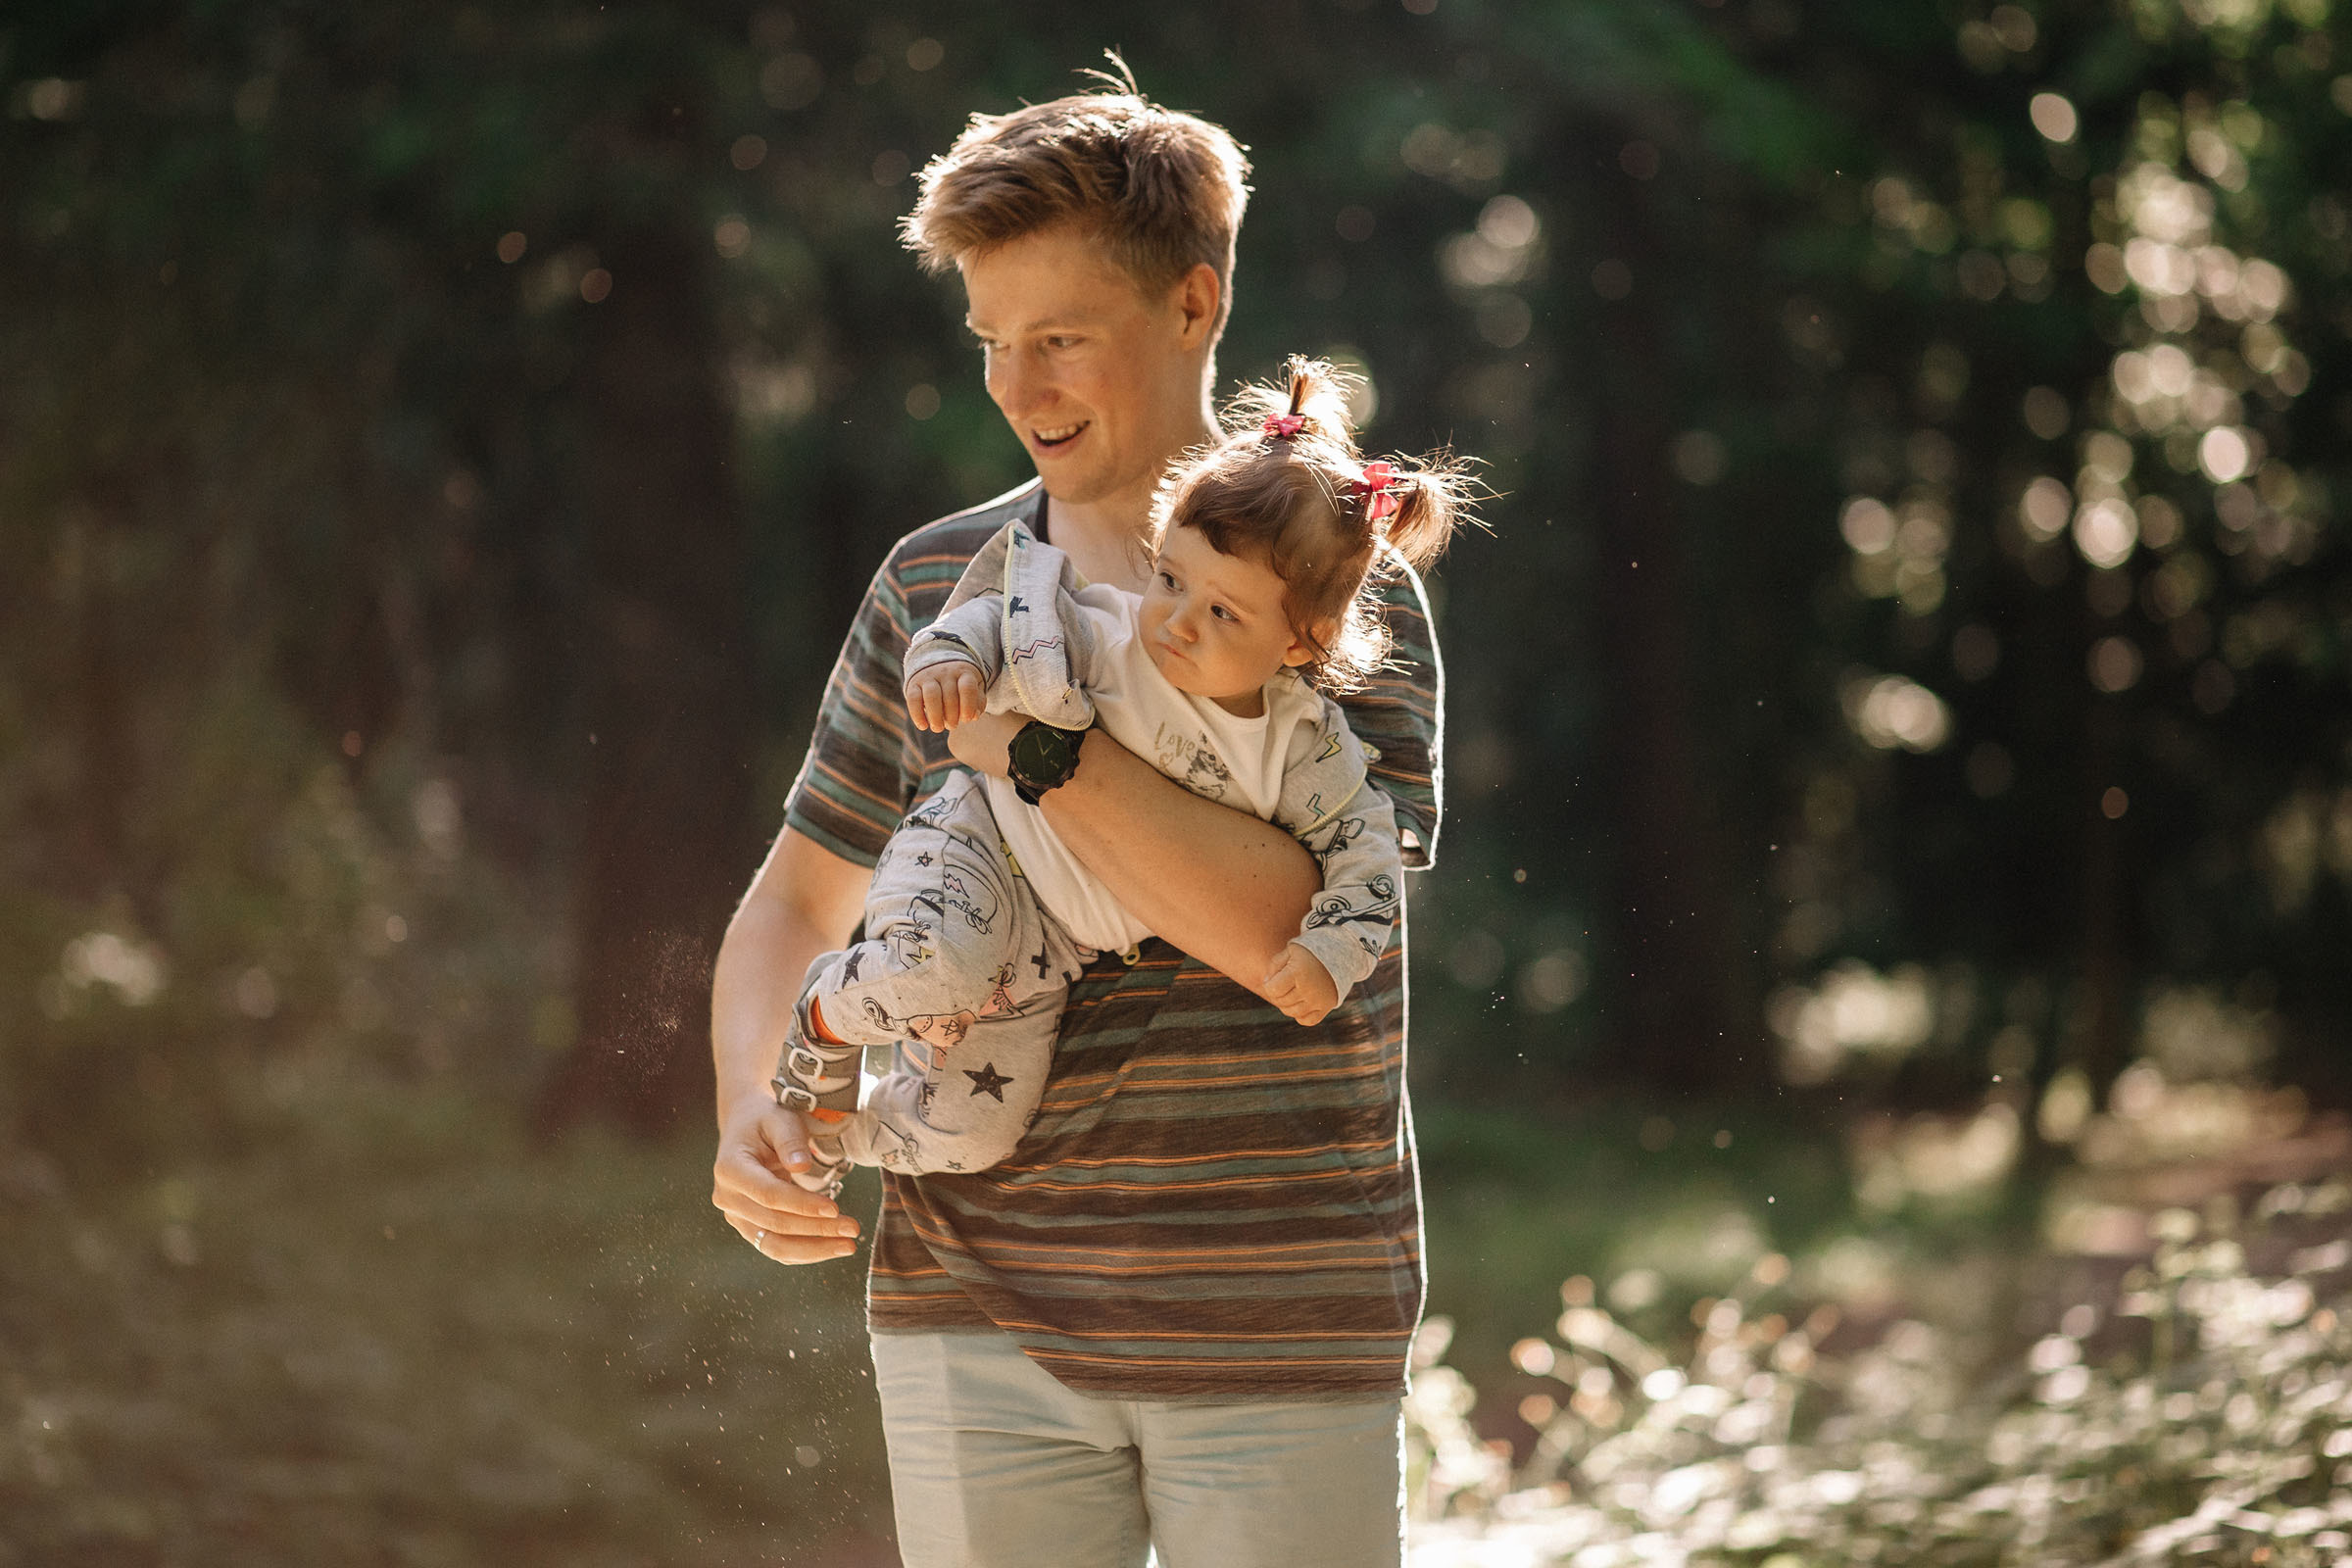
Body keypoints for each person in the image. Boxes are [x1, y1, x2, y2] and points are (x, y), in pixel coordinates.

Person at [709, 72, 1448, 1567]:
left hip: (1275, 1321)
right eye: (991, 342)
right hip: (968, 1320)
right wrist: (749, 1102)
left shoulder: (1332, 593)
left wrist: (1032, 753)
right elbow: (796, 903)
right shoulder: (936, 586)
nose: (1016, 387)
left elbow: (1277, 928)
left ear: (1194, 305)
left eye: (1061, 340)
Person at [770, 359, 1467, 1198]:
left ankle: (847, 1137)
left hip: (1051, 954)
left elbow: (1367, 857)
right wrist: (950, 659)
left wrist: (1332, 951)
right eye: (1170, 578)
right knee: (945, 972)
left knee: (976, 1129)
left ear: (1299, 641)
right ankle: (821, 1016)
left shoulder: (1304, 751)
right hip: (978, 848)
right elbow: (991, 615)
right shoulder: (1106, 633)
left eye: (1222, 612)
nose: (1175, 620)